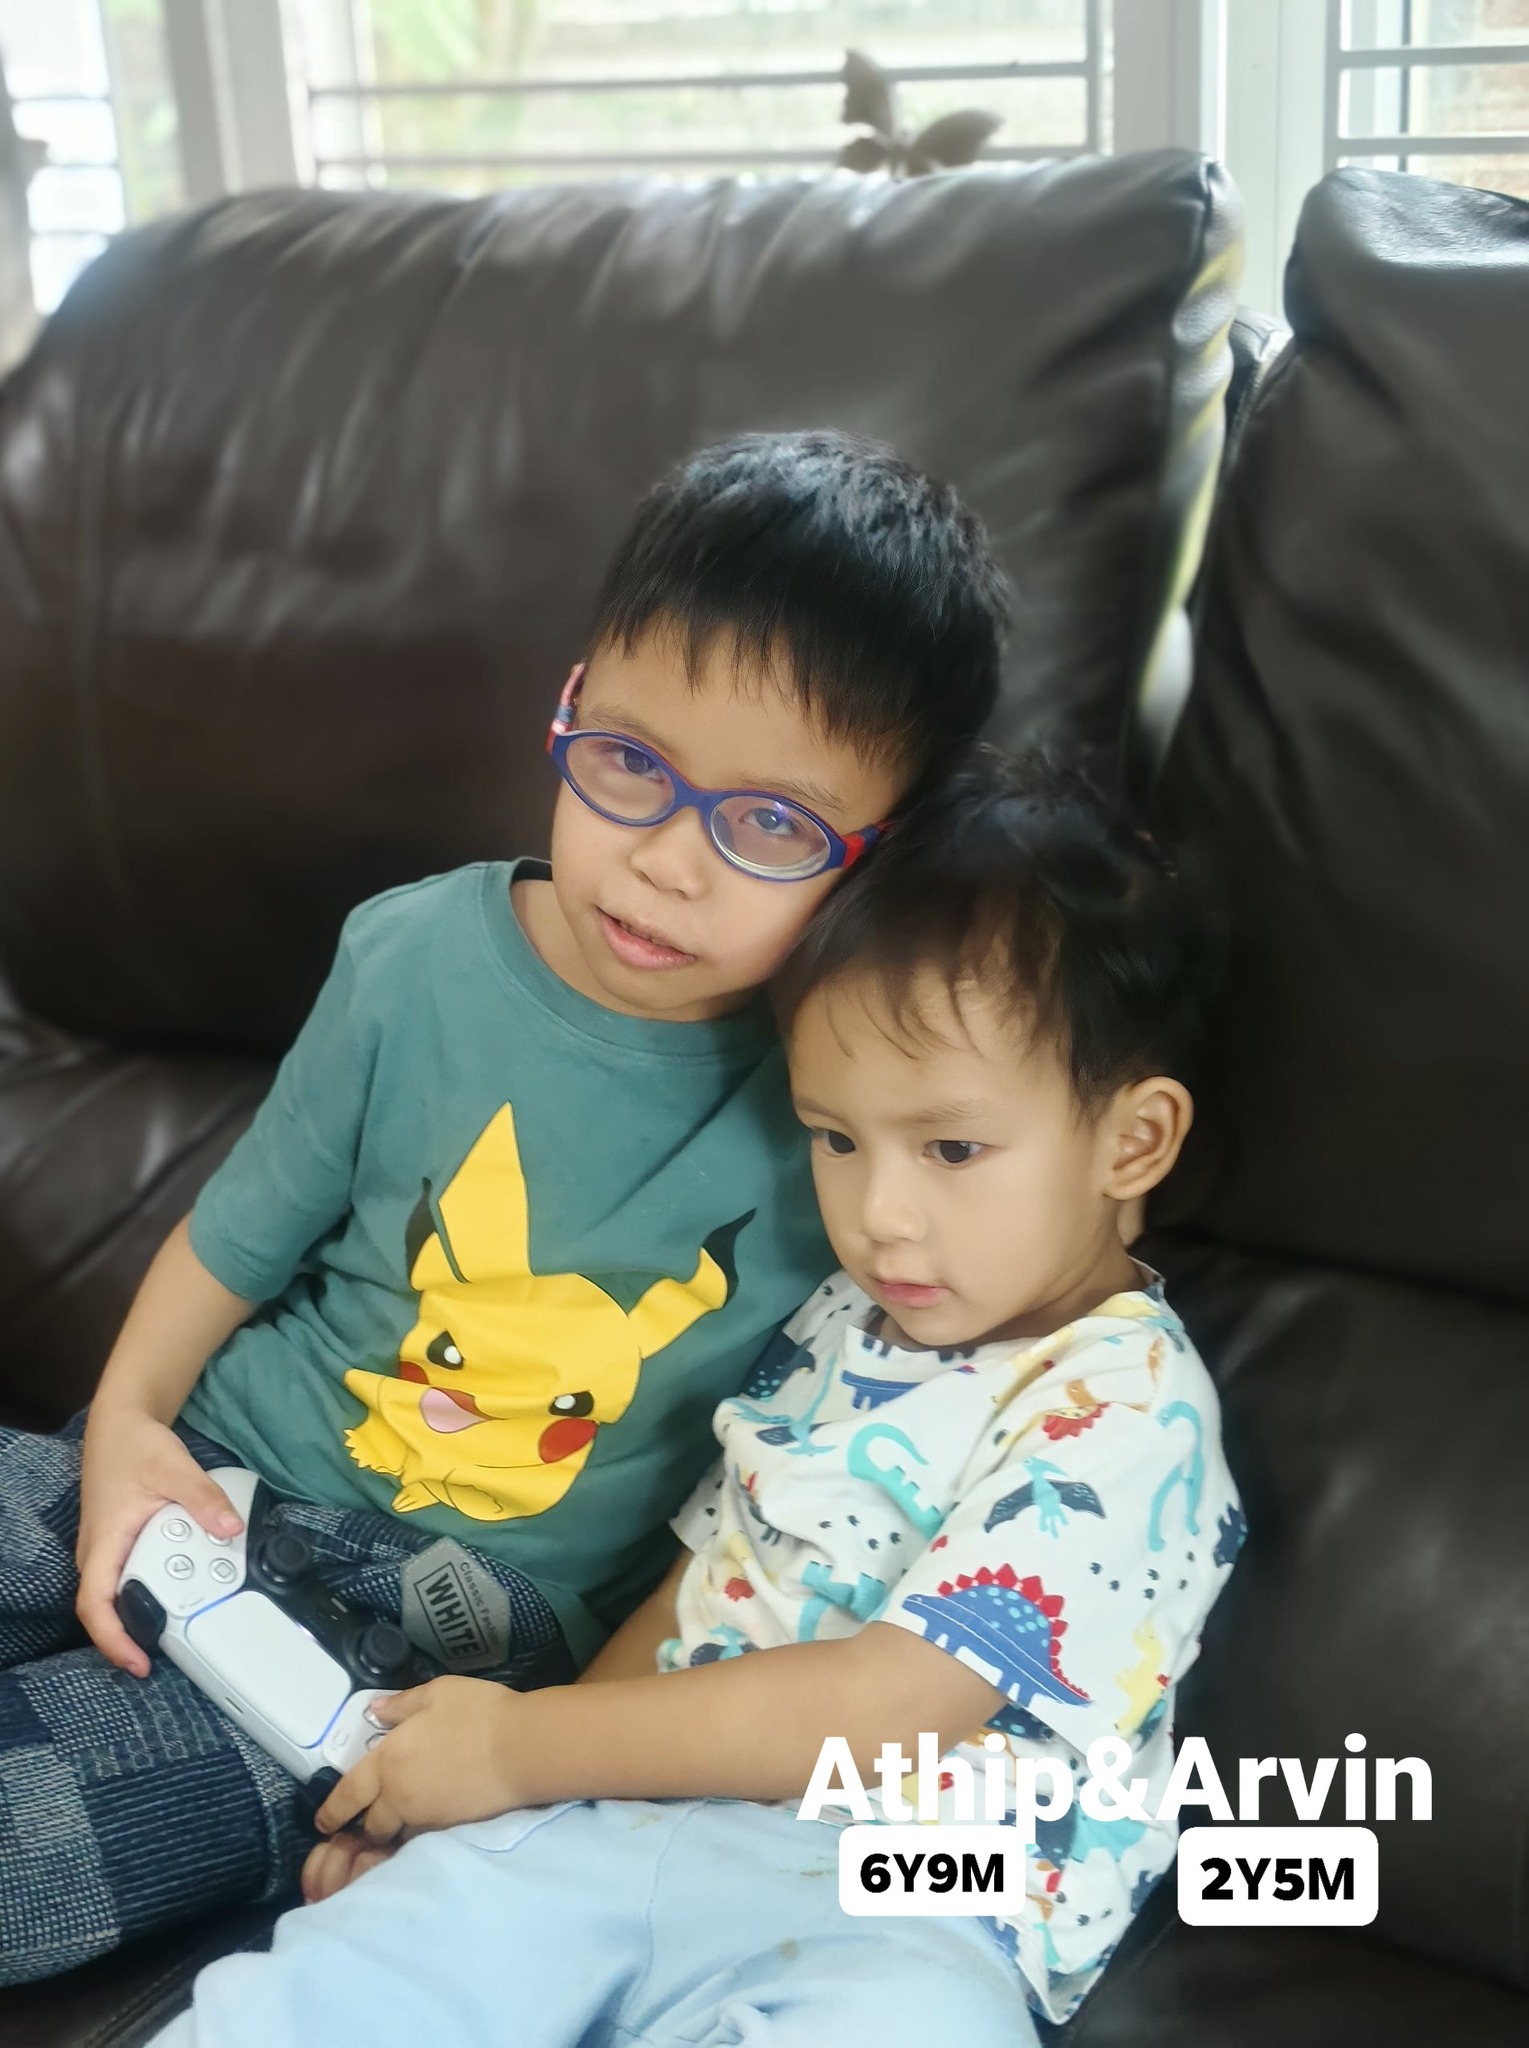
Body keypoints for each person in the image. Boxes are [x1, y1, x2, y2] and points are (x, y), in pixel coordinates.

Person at [0, 430, 1011, 1983]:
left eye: (769, 825)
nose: (664, 860)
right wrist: (127, 1422)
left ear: (880, 862)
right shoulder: (411, 959)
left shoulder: (856, 1128)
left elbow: (775, 1503)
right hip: (196, 1467)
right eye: (628, 762)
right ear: (573, 699)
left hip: (417, 1644)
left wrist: (532, 1782)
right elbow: (237, 1234)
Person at [152, 748, 1244, 2047]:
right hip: (614, 1821)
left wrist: (515, 1750)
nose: (879, 1215)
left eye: (952, 1148)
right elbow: (694, 1587)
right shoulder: (842, 1320)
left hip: (910, 1901)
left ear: (1133, 1140)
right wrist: (497, 1798)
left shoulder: (1130, 1410)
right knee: (319, 1992)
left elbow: (886, 1713)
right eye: (835, 1138)